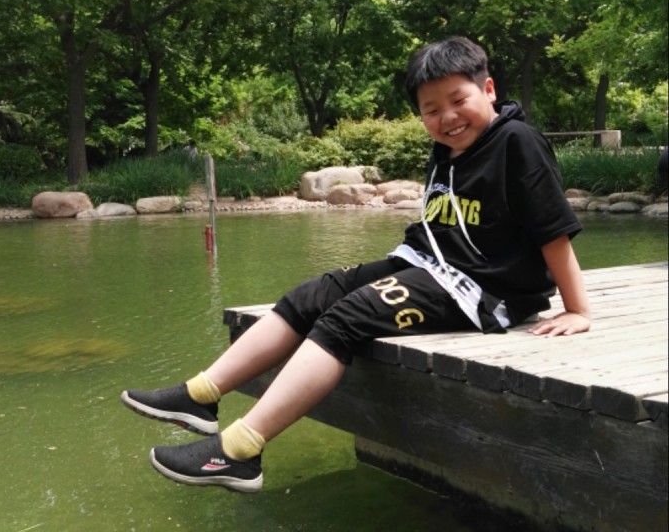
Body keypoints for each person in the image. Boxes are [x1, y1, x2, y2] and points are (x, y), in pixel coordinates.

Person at [121, 36, 591, 494]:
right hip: (430, 266)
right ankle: (201, 395)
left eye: (458, 100)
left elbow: (552, 230)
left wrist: (576, 309)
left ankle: (239, 451)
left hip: (484, 290)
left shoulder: (517, 141)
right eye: (430, 110)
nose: (447, 118)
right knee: (315, 294)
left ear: (488, 90)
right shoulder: (449, 151)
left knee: (346, 317)